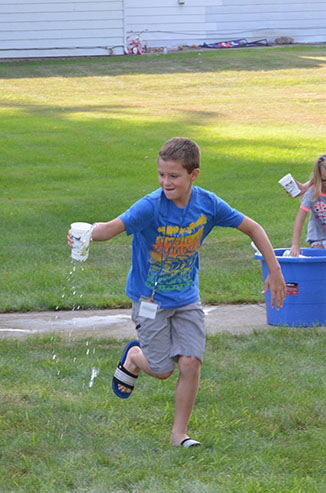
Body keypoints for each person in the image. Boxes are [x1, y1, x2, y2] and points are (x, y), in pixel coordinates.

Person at [68, 137, 286, 448]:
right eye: (161, 175)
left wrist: (275, 270)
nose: (166, 182)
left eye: (174, 176)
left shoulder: (207, 205)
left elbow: (254, 228)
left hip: (186, 298)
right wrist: (87, 233)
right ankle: (134, 356)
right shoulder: (150, 206)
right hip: (149, 301)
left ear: (193, 175)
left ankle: (178, 435)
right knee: (162, 370)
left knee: (191, 362)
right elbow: (112, 228)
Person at [290, 154, 326, 256]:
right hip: (317, 237)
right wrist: (295, 244)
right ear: (317, 178)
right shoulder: (312, 193)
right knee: (320, 259)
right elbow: (300, 219)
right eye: (323, 180)